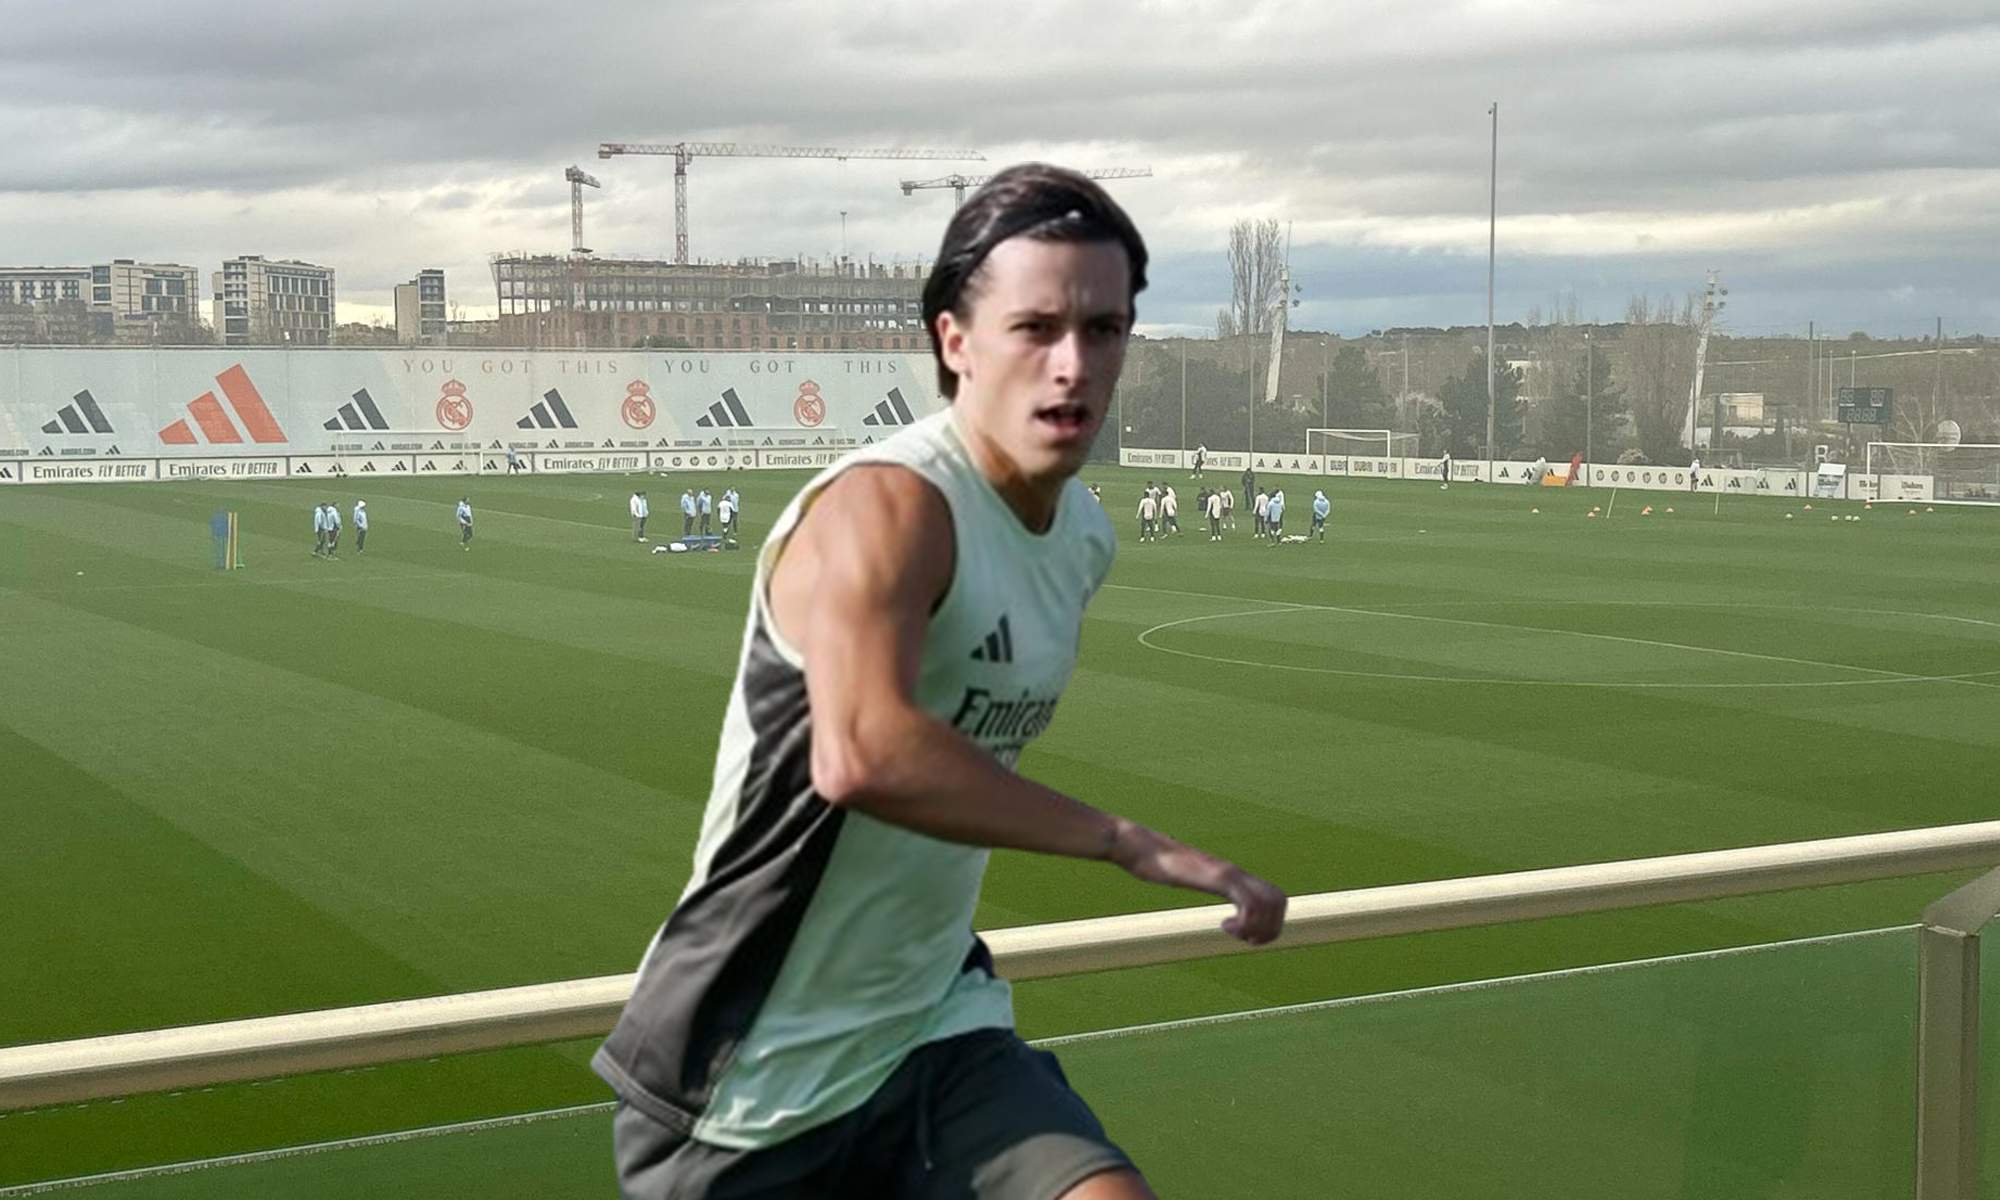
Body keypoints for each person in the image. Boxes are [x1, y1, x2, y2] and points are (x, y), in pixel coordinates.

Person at [594, 165, 1284, 1200]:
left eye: (1103, 330)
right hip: (749, 1077)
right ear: (954, 342)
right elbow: (861, 751)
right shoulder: (889, 507)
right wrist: (1125, 841)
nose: (1071, 364)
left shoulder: (1082, 536)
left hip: (934, 1027)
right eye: (1035, 327)